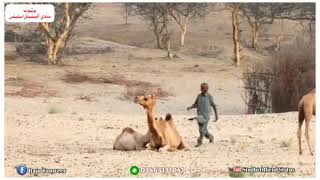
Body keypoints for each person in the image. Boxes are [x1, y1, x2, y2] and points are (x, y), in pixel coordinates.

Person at [187, 83, 218, 147]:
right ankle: (211, 137)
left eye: (207, 88)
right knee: (203, 129)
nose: (206, 89)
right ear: (201, 89)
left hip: (207, 115)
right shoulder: (199, 96)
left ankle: (199, 141)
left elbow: (214, 105)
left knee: (202, 130)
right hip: (200, 115)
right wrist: (190, 107)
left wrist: (216, 115)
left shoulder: (209, 97)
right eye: (204, 88)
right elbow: (196, 104)